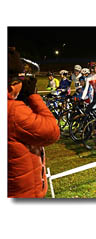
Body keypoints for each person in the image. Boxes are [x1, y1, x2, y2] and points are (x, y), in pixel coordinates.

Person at [8, 47, 60, 198]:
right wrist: (33, 96)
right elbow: (52, 131)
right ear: (12, 85)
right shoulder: (13, 111)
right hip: (23, 193)